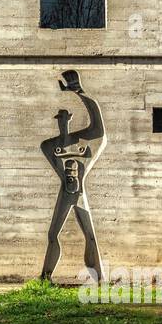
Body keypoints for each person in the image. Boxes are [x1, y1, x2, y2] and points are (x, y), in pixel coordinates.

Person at [40, 70, 105, 281]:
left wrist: (80, 92)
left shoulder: (83, 144)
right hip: (66, 193)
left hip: (78, 192)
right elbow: (52, 151)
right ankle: (45, 276)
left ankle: (99, 277)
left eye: (65, 118)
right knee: (54, 235)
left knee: (89, 235)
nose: (63, 121)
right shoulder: (50, 146)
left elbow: (99, 128)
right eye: (60, 118)